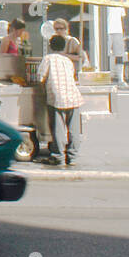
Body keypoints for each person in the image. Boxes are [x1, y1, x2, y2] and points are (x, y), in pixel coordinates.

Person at [39, 34, 83, 167]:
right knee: (74, 129)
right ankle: (72, 157)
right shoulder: (67, 61)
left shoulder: (48, 59)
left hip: (57, 97)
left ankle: (58, 156)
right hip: (74, 97)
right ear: (63, 47)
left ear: (50, 46)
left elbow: (40, 77)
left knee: (58, 128)